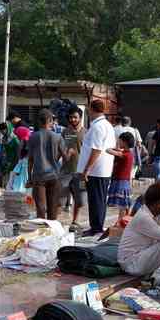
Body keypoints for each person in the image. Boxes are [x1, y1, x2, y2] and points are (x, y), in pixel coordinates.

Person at [78, 98, 116, 236]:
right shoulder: (105, 125)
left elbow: (96, 150)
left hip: (97, 170)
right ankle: (96, 226)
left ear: (91, 109)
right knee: (98, 199)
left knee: (96, 200)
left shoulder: (98, 127)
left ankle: (97, 228)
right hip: (101, 169)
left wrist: (87, 169)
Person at [23, 110, 64, 221]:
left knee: (41, 208)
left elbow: (30, 160)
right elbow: (65, 156)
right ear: (50, 121)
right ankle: (52, 233)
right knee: (53, 208)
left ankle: (41, 232)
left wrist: (29, 178)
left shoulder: (33, 137)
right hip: (54, 175)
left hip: (39, 176)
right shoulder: (57, 137)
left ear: (39, 122)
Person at [59, 109, 85, 226]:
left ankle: (75, 221)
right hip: (65, 170)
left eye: (75, 117)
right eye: (70, 117)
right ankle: (56, 223)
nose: (72, 119)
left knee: (80, 200)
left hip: (80, 172)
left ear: (80, 118)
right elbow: (60, 149)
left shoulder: (87, 133)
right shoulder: (65, 132)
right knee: (60, 200)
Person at [104, 131, 137, 221]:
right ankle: (123, 221)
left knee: (123, 205)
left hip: (121, 181)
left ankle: (121, 221)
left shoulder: (125, 154)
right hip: (123, 181)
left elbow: (107, 150)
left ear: (125, 142)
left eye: (120, 141)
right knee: (125, 205)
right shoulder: (127, 153)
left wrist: (117, 149)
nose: (118, 143)